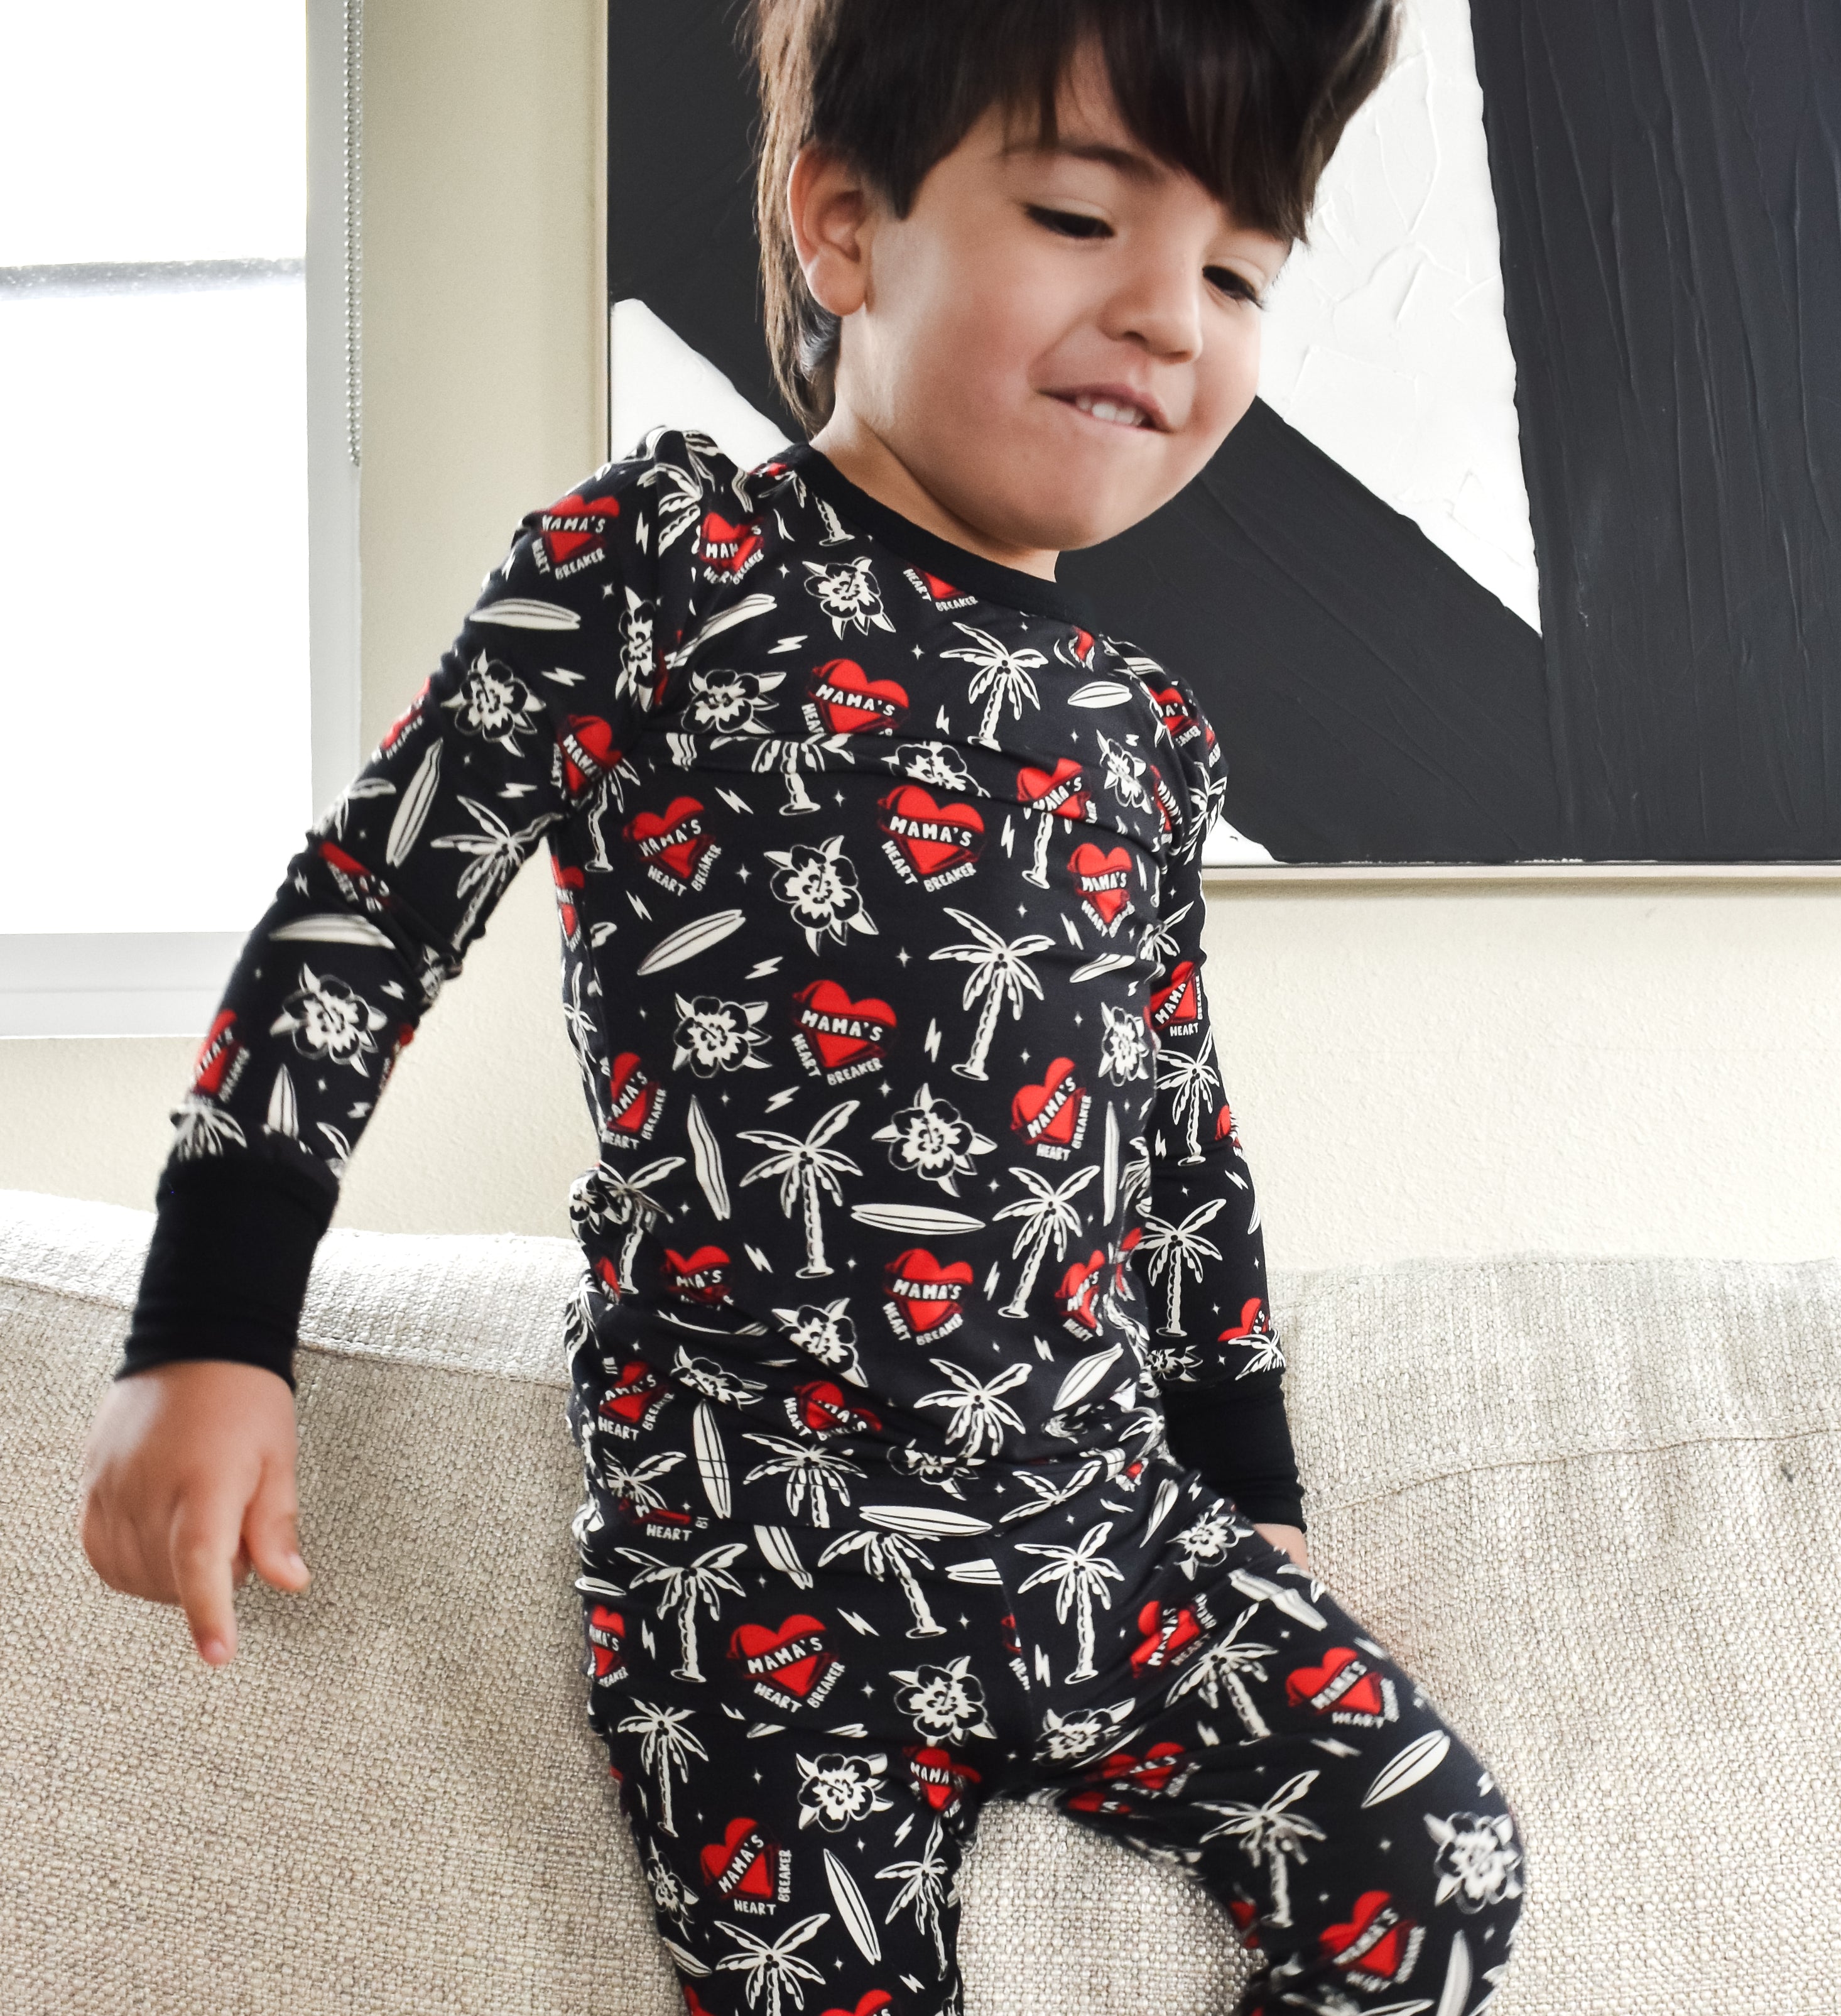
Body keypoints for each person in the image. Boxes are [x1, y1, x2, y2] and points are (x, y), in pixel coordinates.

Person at [79, 1, 1528, 2008]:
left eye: (1233, 272)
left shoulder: (1150, 737)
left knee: (1437, 1860)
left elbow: (1177, 1144)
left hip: (1103, 1548)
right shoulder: (658, 558)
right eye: (1079, 216)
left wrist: (1254, 1495)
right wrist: (213, 1322)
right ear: (840, 223)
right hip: (764, 1594)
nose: (1169, 314)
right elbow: (362, 913)